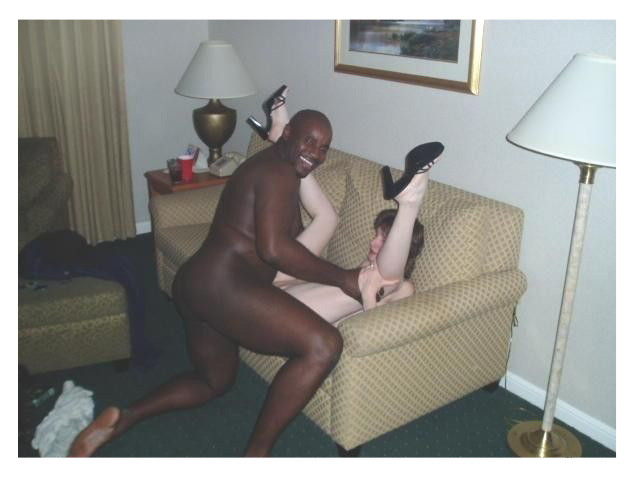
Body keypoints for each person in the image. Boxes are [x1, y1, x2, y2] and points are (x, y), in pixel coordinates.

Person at [69, 109, 387, 457]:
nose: (315, 153)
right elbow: (274, 249)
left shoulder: (273, 168)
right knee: (324, 345)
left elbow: (284, 242)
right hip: (224, 284)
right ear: (287, 133)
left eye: (324, 147)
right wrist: (343, 278)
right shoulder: (278, 172)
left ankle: (124, 418)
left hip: (198, 284)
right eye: (309, 141)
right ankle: (256, 455)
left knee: (213, 381)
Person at [252, 86, 434, 322]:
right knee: (329, 219)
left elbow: (369, 326)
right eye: (377, 235)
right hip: (277, 282)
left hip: (281, 311)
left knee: (386, 282)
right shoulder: (364, 271)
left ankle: (409, 205)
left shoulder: (402, 289)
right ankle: (281, 141)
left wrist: (368, 297)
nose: (373, 242)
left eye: (384, 239)